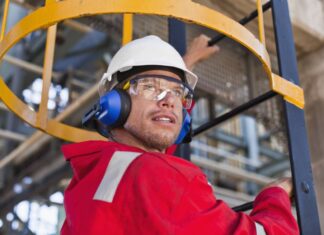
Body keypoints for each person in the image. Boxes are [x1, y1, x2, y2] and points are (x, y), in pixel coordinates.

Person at [60, 35, 299, 235]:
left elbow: (151, 157)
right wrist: (274, 197)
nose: (170, 102)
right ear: (115, 104)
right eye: (150, 87)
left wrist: (187, 63)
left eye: (177, 93)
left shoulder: (89, 180)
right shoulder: (162, 176)